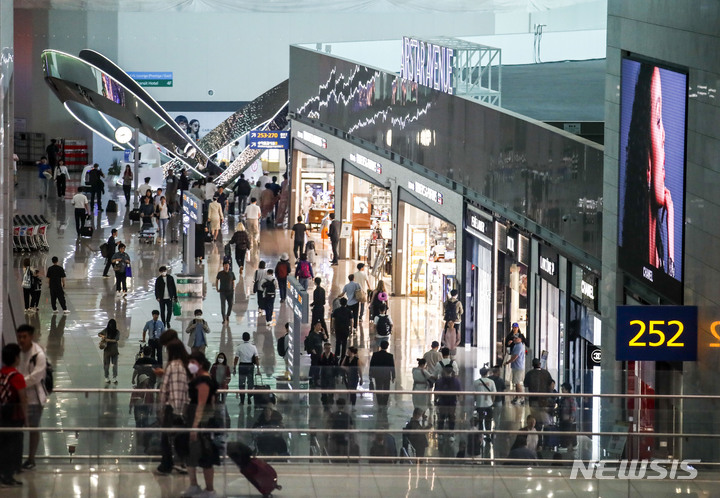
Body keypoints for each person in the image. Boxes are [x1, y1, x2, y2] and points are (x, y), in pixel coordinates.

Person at [621, 64, 676, 277]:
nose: (664, 135)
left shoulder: (654, 257)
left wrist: (670, 217)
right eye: (658, 120)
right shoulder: (637, 254)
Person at [181, 352, 220, 498]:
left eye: (192, 362)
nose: (189, 365)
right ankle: (193, 485)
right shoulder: (197, 378)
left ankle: (209, 490)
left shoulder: (204, 381)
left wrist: (195, 426)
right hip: (194, 420)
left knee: (205, 454)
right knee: (191, 453)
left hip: (201, 422)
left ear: (200, 364)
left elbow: (202, 404)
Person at [155, 340, 190, 475]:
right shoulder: (187, 366)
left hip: (173, 406)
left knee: (166, 437)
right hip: (186, 407)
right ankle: (183, 462)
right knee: (182, 436)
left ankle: (167, 464)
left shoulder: (172, 366)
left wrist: (161, 407)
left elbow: (165, 389)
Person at [16, 325, 47, 471]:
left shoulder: (38, 355)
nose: (21, 340)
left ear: (31, 337)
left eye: (24, 337)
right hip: (18, 398)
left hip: (34, 399)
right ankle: (16, 458)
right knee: (16, 429)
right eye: (19, 337)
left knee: (33, 428)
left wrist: (17, 383)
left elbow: (36, 377)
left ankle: (31, 459)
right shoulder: (17, 352)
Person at [0, 343, 27, 486]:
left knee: (2, 445)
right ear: (16, 358)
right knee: (13, 446)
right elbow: (23, 399)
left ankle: (2, 474)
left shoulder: (1, 373)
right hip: (14, 417)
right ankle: (8, 476)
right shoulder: (17, 376)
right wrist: (26, 418)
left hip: (2, 416)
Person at [434, 365, 462, 442]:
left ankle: (440, 434)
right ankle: (451, 434)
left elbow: (436, 393)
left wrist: (435, 401)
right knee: (451, 417)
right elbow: (459, 393)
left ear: (444, 371)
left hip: (442, 401)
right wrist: (459, 401)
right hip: (452, 402)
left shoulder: (439, 381)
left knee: (441, 417)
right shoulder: (456, 381)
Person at [524, 358, 554, 428]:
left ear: (532, 365)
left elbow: (526, 384)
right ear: (540, 364)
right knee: (545, 419)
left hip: (533, 399)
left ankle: (538, 434)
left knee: (535, 419)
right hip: (544, 400)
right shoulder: (546, 373)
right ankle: (546, 435)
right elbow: (551, 383)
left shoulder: (529, 374)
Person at [129, 373, 155, 451]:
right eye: (146, 379)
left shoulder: (148, 389)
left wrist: (151, 407)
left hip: (145, 407)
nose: (147, 380)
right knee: (138, 421)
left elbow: (151, 399)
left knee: (145, 421)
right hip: (138, 407)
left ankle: (144, 436)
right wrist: (131, 407)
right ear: (143, 381)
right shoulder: (137, 389)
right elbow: (133, 398)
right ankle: (139, 435)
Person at [233, 332, 258, 405]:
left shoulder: (239, 347)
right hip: (250, 366)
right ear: (249, 338)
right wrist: (258, 369)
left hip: (242, 366)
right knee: (250, 382)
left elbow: (236, 358)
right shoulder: (253, 347)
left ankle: (242, 400)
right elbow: (256, 358)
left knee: (241, 383)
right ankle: (249, 398)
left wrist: (234, 367)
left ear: (242, 338)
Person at [369, 340, 395, 409]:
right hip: (386, 375)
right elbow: (392, 367)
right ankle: (385, 403)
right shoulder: (390, 356)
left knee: (378, 388)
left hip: (378, 375)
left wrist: (370, 374)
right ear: (387, 347)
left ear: (380, 346)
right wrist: (393, 376)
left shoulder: (375, 355)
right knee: (386, 389)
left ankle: (379, 402)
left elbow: (371, 365)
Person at [473, 367, 497, 432]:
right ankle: (488, 433)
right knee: (488, 420)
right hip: (489, 404)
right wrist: (492, 402)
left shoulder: (476, 382)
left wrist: (475, 402)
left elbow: (474, 395)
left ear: (480, 373)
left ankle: (480, 434)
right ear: (487, 373)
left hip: (479, 404)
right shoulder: (491, 382)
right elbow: (494, 394)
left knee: (480, 420)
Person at [504, 335, 526, 404]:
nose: (514, 339)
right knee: (516, 383)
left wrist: (508, 362)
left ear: (520, 339)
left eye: (516, 338)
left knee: (517, 383)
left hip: (518, 367)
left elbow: (515, 356)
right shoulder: (516, 345)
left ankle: (521, 398)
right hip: (516, 366)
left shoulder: (519, 346)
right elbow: (510, 353)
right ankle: (517, 397)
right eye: (514, 338)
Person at [99, 319, 120, 383]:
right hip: (108, 350)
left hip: (113, 350)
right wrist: (103, 336)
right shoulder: (106, 330)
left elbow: (116, 340)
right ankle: (107, 376)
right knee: (107, 364)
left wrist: (108, 340)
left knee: (113, 365)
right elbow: (99, 334)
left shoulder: (117, 332)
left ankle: (113, 376)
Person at [318, 342, 338, 410]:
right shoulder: (321, 356)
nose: (328, 350)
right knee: (323, 390)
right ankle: (325, 404)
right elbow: (318, 366)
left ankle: (330, 403)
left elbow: (336, 366)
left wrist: (337, 375)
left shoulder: (333, 356)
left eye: (329, 348)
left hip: (331, 376)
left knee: (331, 390)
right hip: (323, 376)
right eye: (326, 348)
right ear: (324, 349)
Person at [558, 382, 577, 449]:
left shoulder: (571, 398)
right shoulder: (563, 399)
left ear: (567, 390)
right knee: (564, 433)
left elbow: (573, 408)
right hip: (563, 419)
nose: (562, 391)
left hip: (568, 419)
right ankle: (564, 445)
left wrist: (571, 417)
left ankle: (569, 445)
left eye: (563, 389)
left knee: (568, 433)